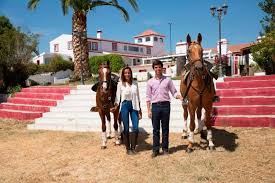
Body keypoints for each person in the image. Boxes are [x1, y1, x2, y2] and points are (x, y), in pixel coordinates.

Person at [146, 60, 183, 158]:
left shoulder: (168, 80)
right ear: (153, 69)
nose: (158, 69)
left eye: (159, 67)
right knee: (155, 130)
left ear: (162, 68)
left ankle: (165, 149)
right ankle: (155, 150)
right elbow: (148, 98)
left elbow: (174, 92)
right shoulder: (150, 82)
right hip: (155, 107)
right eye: (156, 67)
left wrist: (179, 97)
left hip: (166, 106)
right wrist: (149, 110)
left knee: (165, 129)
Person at [111, 66, 142, 155]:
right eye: (125, 73)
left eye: (128, 72)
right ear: (123, 74)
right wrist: (115, 107)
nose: (127, 74)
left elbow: (138, 96)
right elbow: (117, 98)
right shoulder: (120, 84)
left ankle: (133, 147)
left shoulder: (135, 83)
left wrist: (140, 110)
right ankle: (128, 149)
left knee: (136, 128)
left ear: (131, 73)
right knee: (126, 127)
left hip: (134, 105)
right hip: (124, 105)